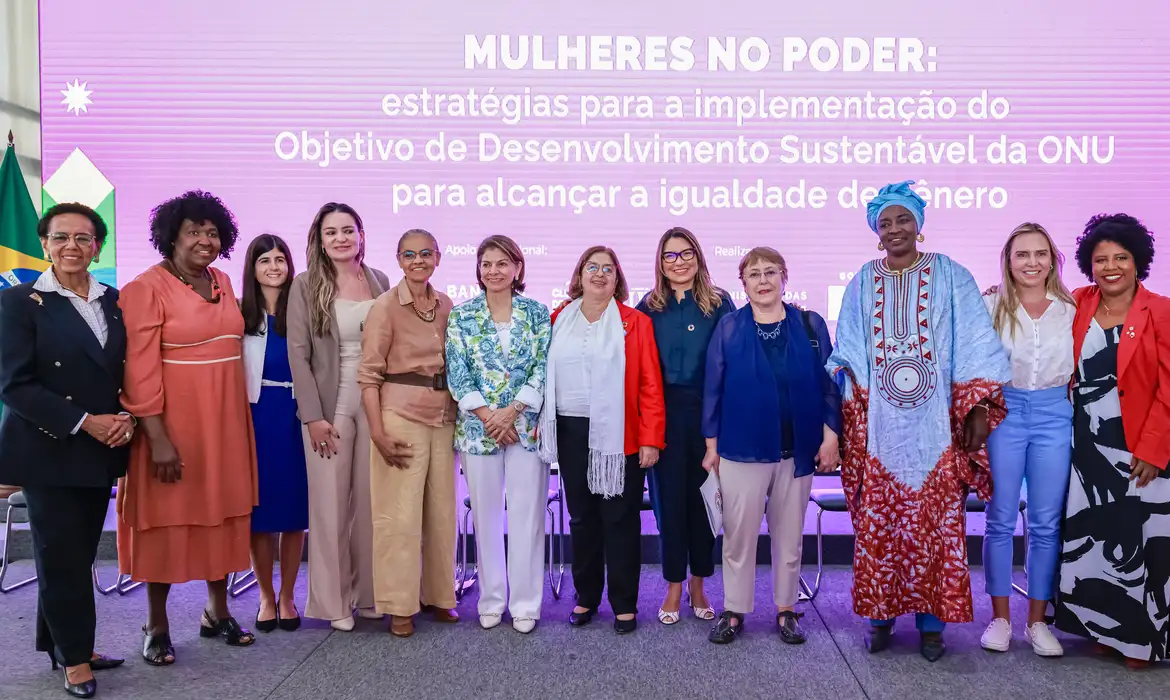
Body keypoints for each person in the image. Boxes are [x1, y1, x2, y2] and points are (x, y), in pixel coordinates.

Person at [826, 180, 1011, 662]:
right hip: (882, 435)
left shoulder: (951, 276)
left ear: (919, 225)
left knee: (936, 527)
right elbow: (847, 351)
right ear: (876, 231)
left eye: (902, 219)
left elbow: (974, 342)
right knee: (878, 528)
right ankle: (880, 619)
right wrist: (859, 421)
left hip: (936, 434)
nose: (894, 230)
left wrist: (974, 408)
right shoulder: (863, 282)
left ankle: (932, 627)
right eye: (884, 223)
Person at [117, 190, 259, 665]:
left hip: (224, 420)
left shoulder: (220, 279)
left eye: (212, 232)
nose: (204, 240)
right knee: (167, 520)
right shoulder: (145, 288)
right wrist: (157, 437)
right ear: (170, 237)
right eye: (193, 231)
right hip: (171, 425)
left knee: (220, 512)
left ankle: (216, 612)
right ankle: (156, 624)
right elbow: (138, 369)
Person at [0, 203, 132, 698]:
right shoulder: (19, 302)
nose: (71, 247)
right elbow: (14, 385)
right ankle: (76, 659)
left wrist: (129, 418)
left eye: (82, 238)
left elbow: (124, 371)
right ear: (44, 245)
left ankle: (64, 643)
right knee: (60, 558)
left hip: (101, 447)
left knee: (74, 557)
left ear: (98, 245)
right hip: (48, 448)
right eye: (60, 238)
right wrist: (84, 421)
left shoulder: (114, 301)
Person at [703, 247, 842, 645]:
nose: (763, 281)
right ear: (743, 283)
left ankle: (786, 609)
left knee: (789, 535)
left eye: (770, 272)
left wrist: (831, 437)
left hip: (796, 452)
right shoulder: (729, 328)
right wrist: (710, 446)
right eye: (754, 274)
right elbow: (713, 390)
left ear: (785, 277)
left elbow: (829, 386)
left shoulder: (810, 324)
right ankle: (734, 610)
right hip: (740, 450)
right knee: (739, 536)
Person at [1055, 213, 1170, 669]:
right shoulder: (1079, 302)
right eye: (1101, 259)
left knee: (1143, 543)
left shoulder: (1159, 309)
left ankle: (1141, 641)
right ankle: (1104, 630)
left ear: (1138, 260)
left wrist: (1155, 448)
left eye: (1120, 257)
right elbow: (1031, 301)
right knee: (1098, 542)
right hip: (1088, 446)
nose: (1111, 267)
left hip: (1142, 445)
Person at [537, 246, 666, 635]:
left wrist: (651, 439)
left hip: (621, 437)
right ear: (579, 275)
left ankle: (624, 604)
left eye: (607, 269)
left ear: (617, 279)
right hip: (570, 432)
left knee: (620, 519)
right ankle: (586, 597)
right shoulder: (559, 318)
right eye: (591, 267)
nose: (599, 274)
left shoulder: (635, 322)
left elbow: (649, 384)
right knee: (582, 518)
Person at [287, 202, 390, 631]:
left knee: (370, 504)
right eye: (332, 232)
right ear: (320, 240)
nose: (341, 238)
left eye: (348, 230)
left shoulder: (380, 280)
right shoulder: (306, 285)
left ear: (361, 234)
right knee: (329, 507)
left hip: (376, 404)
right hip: (329, 407)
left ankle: (368, 595)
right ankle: (334, 603)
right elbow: (298, 354)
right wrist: (311, 417)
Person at [445, 235, 551, 634]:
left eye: (502, 263)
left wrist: (511, 413)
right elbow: (458, 370)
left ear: (518, 268)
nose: (494, 271)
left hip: (525, 429)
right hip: (478, 430)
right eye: (486, 263)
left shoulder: (537, 313)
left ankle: (525, 604)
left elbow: (543, 367)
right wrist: (491, 417)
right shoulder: (462, 315)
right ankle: (491, 599)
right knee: (486, 519)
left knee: (527, 519)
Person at [979, 223, 1076, 657]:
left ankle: (1037, 621)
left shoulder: (1072, 308)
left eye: (1041, 254)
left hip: (1056, 414)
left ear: (1053, 258)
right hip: (1007, 412)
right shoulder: (990, 304)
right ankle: (1000, 618)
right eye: (1023, 254)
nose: (1032, 262)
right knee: (999, 517)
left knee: (1045, 522)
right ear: (1009, 260)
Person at [358, 228, 459, 638]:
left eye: (425, 253)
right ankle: (400, 605)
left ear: (438, 257)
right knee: (399, 518)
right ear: (398, 260)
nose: (418, 261)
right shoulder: (384, 306)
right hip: (398, 415)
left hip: (443, 418)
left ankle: (439, 597)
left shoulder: (447, 304)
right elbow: (367, 375)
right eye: (409, 254)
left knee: (441, 514)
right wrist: (377, 433)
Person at [635, 227, 733, 625]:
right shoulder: (648, 306)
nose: (680, 261)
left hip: (708, 417)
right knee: (668, 507)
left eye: (687, 253)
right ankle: (673, 585)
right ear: (660, 262)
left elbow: (732, 364)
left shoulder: (719, 303)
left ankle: (699, 583)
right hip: (662, 418)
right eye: (670, 255)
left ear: (699, 256)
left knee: (704, 505)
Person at [240, 234, 308, 633]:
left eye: (280, 259)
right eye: (264, 260)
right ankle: (266, 597)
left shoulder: (300, 312)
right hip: (254, 415)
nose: (273, 267)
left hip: (295, 416)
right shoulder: (238, 314)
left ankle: (288, 596)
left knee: (293, 513)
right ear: (252, 268)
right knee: (260, 515)